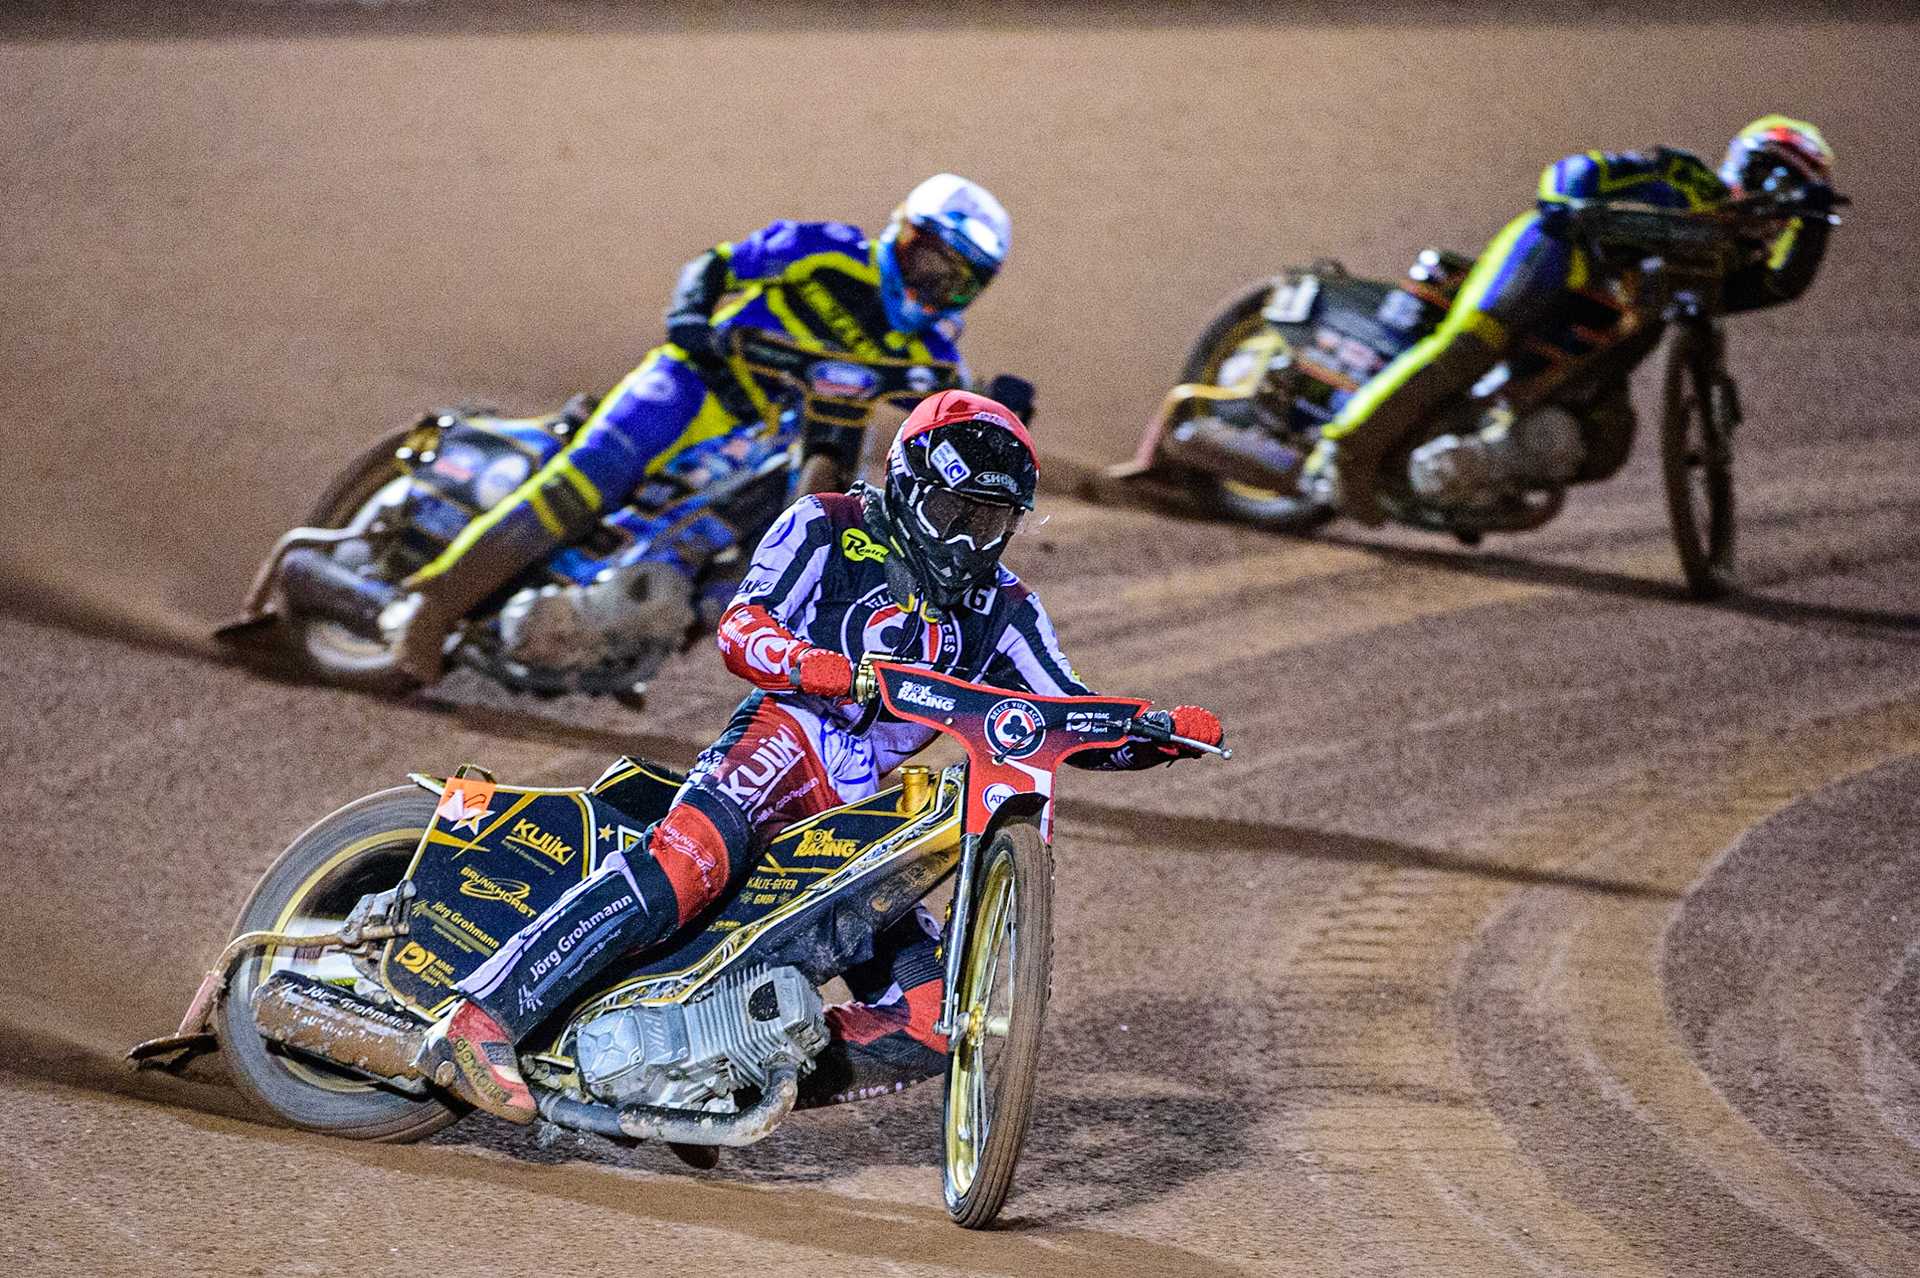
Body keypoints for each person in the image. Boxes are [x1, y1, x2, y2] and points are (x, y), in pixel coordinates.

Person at [414, 389, 1226, 1121]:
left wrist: (1153, 738)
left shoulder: (1009, 608)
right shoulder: (826, 524)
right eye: (956, 512)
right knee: (685, 864)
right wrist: (817, 667)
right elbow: (741, 628)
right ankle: (481, 1017)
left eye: (992, 522)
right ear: (909, 484)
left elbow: (1060, 717)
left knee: (937, 1019)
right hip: (787, 741)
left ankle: (725, 1070)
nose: (971, 540)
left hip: (868, 810)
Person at [384, 173, 1015, 683]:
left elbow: (949, 413)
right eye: (929, 262)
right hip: (694, 386)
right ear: (901, 233)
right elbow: (716, 267)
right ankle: (432, 604)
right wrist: (689, 319)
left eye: (956, 280)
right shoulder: (826, 252)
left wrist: (996, 417)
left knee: (825, 517)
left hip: (779, 436)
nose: (934, 286)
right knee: (588, 480)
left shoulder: (933, 352)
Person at [1302, 116, 1838, 525]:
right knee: (1470, 347)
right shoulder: (1684, 177)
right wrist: (1571, 205)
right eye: (1771, 174)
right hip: (1551, 258)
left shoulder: (1732, 264)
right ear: (1743, 165)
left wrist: (1816, 227)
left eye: (1792, 192)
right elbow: (1577, 170)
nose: (1775, 196)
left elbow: (1779, 284)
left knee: (1606, 445)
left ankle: (1477, 466)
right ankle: (1345, 450)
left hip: (1592, 339)